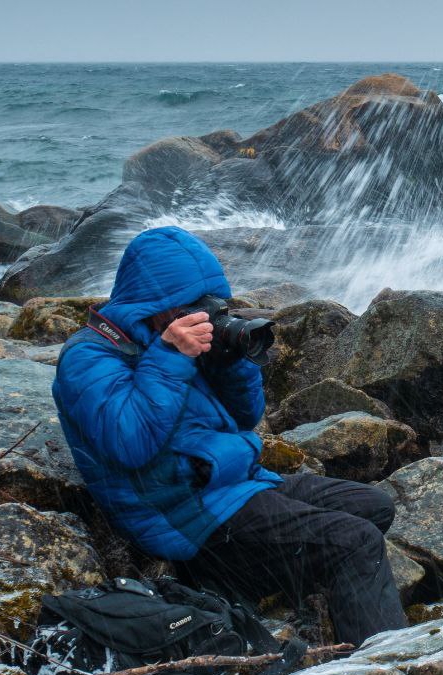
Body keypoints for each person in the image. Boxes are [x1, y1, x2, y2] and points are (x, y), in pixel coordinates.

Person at [52, 226, 408, 645]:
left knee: (373, 507)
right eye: (190, 305)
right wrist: (170, 356)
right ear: (154, 303)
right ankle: (382, 663)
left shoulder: (168, 339)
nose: (202, 316)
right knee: (357, 542)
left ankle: (247, 589)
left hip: (229, 483)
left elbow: (245, 417)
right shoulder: (88, 358)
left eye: (207, 304)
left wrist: (232, 362)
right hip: (185, 515)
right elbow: (131, 445)